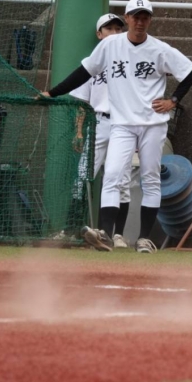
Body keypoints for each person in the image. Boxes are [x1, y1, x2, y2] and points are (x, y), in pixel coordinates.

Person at [41, 0, 192, 253]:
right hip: (121, 123)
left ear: (150, 20)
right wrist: (53, 92)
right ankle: (105, 234)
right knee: (112, 176)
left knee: (150, 178)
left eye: (144, 17)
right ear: (127, 18)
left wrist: (174, 100)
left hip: (152, 124)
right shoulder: (111, 45)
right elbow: (84, 72)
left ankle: (144, 239)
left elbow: (190, 71)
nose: (140, 21)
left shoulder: (159, 49)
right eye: (135, 16)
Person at [68, 13, 132, 251]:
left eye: (118, 28)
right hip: (98, 122)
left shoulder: (131, 60)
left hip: (124, 125)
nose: (114, 32)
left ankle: (117, 235)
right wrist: (78, 131)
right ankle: (71, 229)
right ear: (99, 34)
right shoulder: (91, 62)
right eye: (109, 29)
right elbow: (82, 102)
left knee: (122, 180)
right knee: (82, 175)